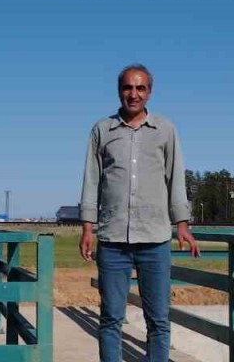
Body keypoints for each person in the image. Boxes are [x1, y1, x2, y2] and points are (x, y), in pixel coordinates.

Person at [79, 63, 199, 362]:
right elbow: (92, 180)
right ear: (119, 90)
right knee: (110, 318)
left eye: (140, 88)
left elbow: (175, 177)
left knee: (158, 320)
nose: (133, 94)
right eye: (128, 88)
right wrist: (87, 228)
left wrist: (182, 223)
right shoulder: (102, 130)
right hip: (113, 240)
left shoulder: (165, 130)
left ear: (150, 92)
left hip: (155, 240)